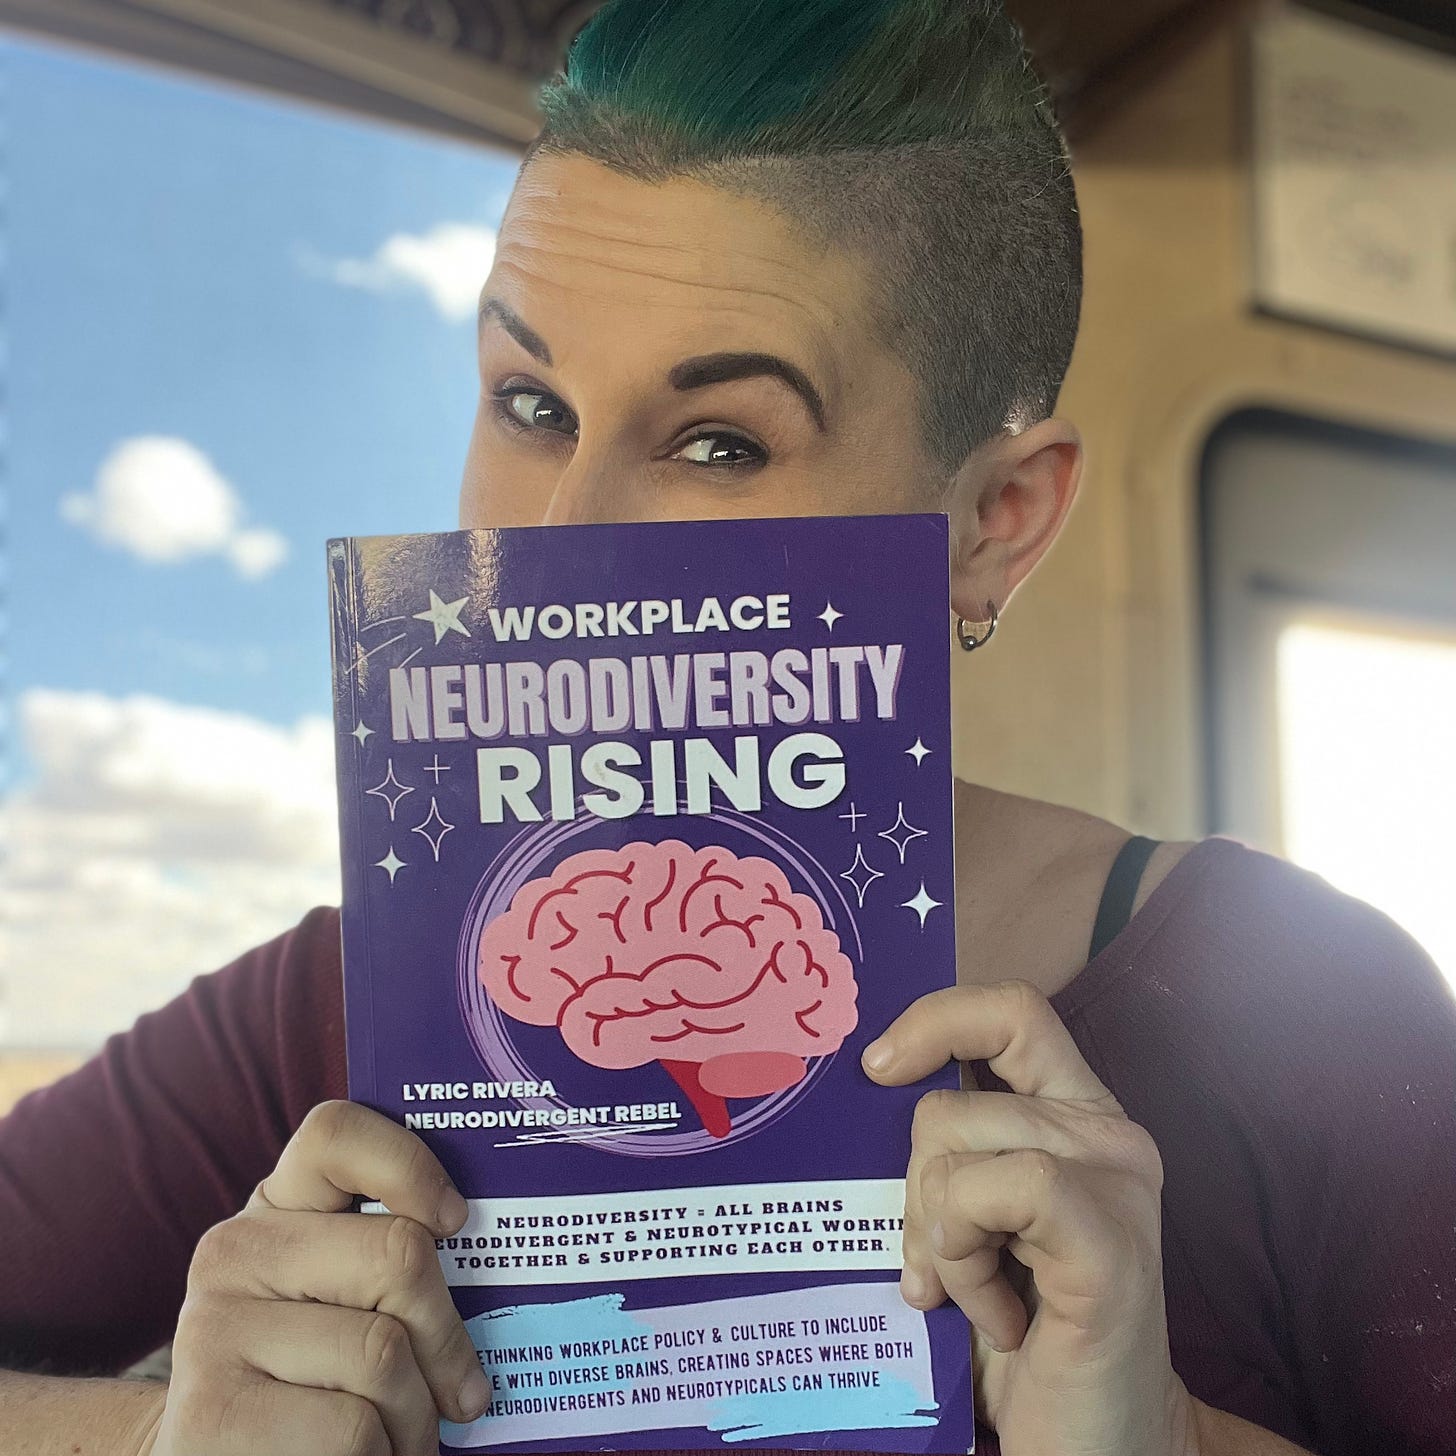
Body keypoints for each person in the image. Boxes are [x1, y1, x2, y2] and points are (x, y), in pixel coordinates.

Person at [3, 0, 1453, 1453]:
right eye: (528, 401)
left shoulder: (1311, 1008)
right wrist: (162, 1438)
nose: (559, 533)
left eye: (721, 443)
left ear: (995, 521)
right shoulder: (321, 1003)